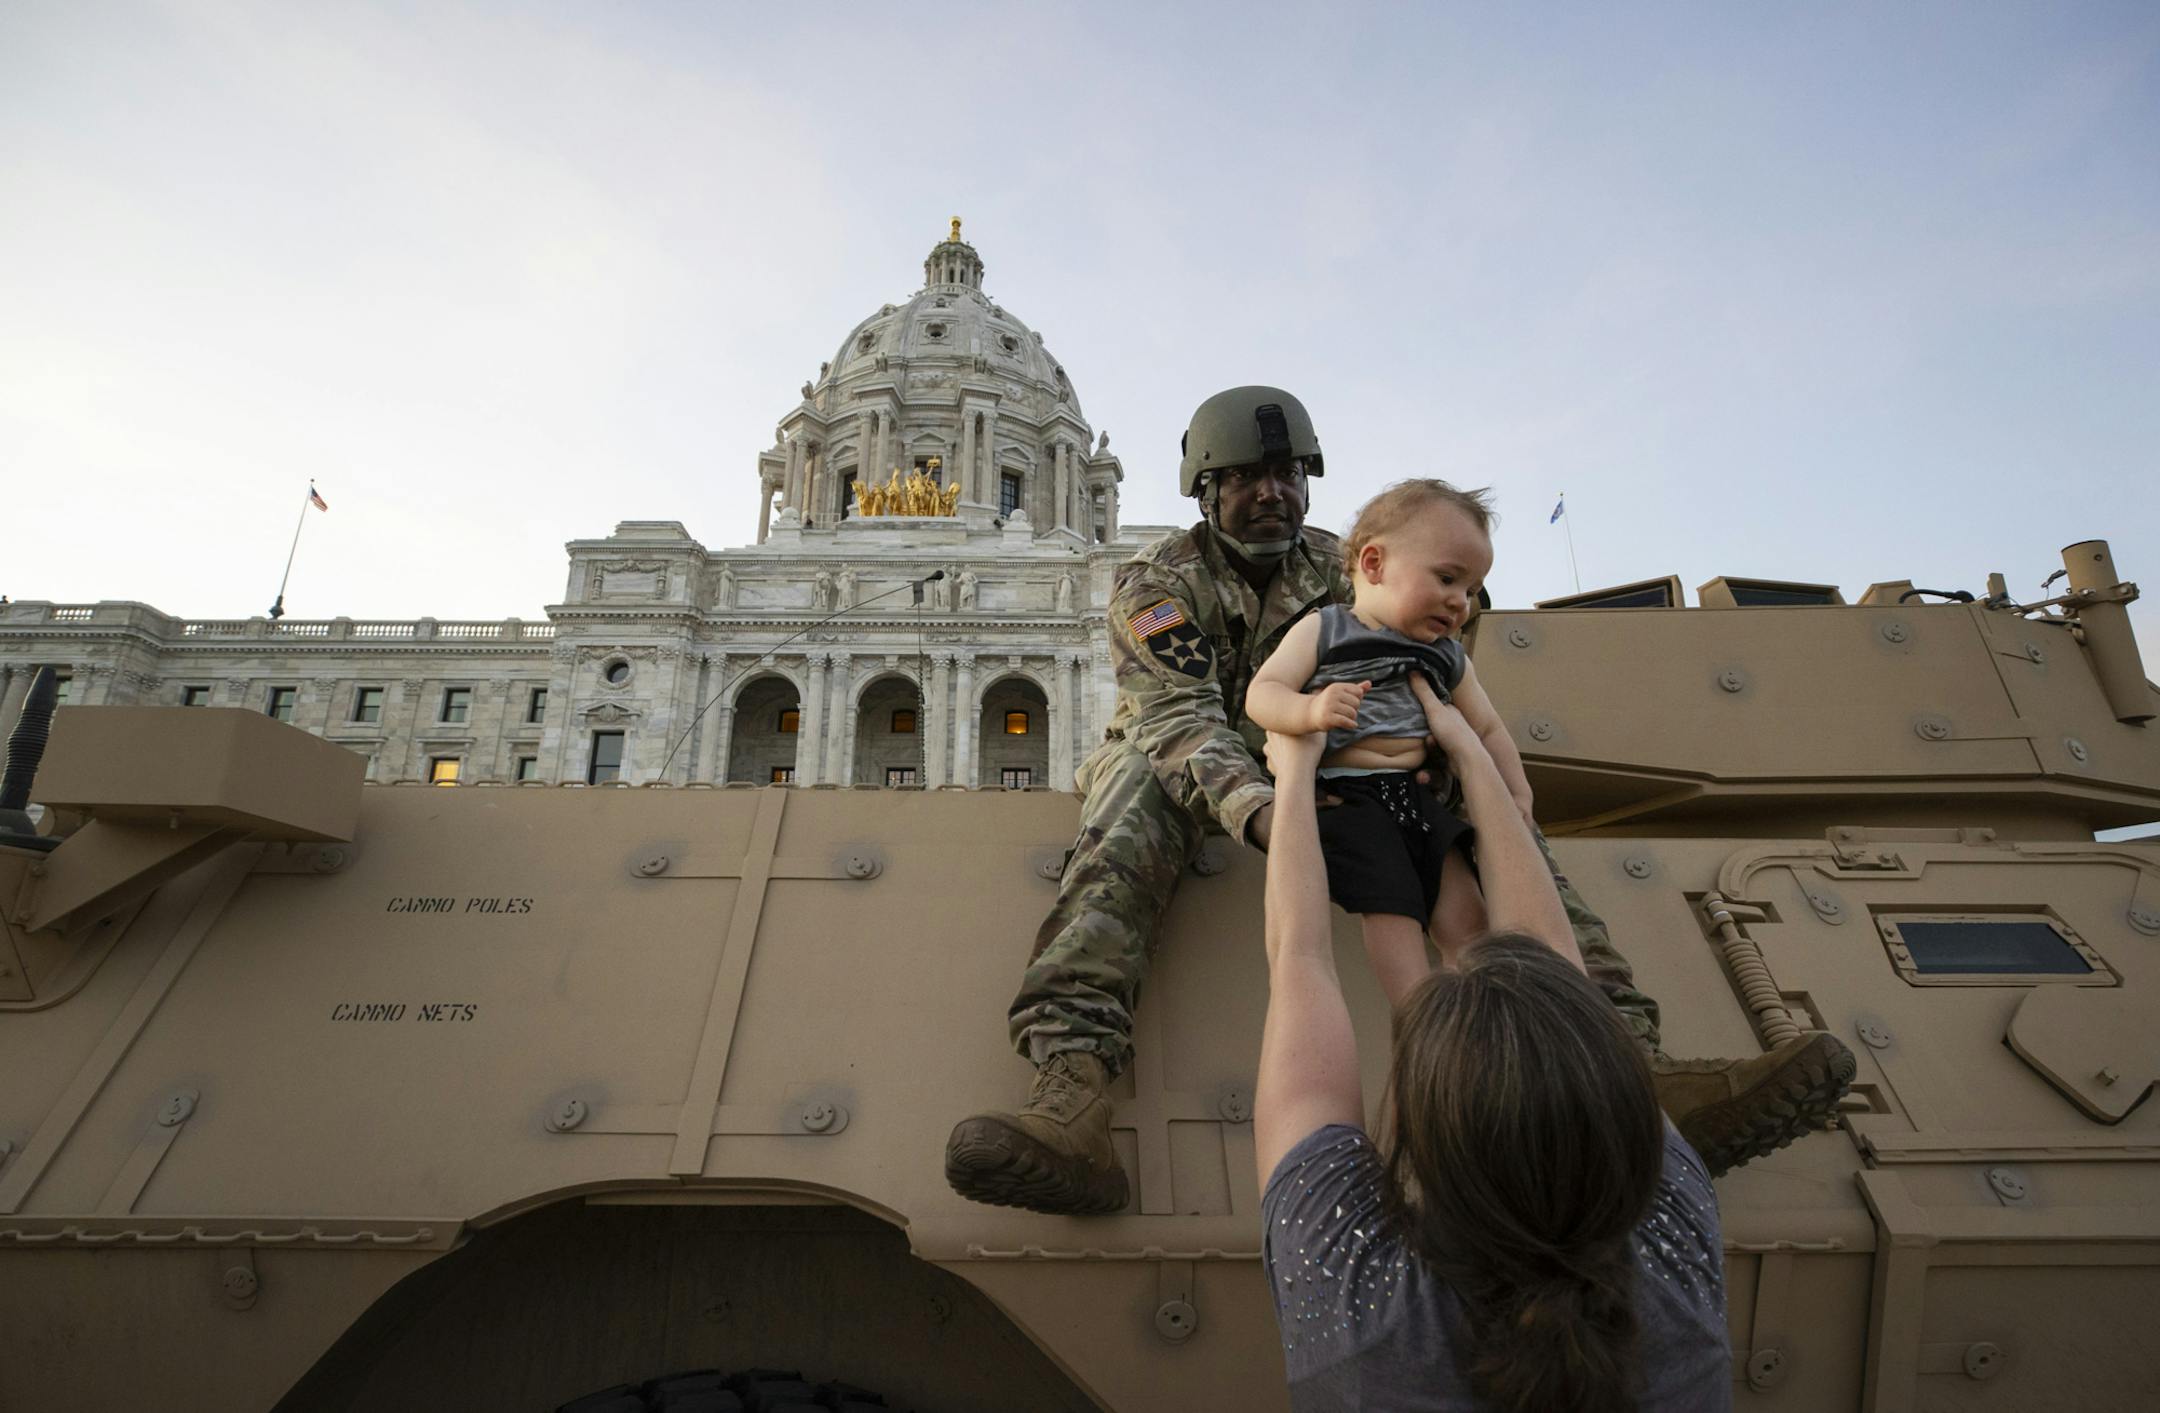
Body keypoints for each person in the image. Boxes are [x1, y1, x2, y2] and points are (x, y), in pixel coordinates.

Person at [942, 385, 1850, 1218]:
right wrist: (1271, 813)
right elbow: (1178, 718)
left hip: (1350, 756)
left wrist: (1443, 765)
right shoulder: (1155, 584)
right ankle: (1074, 1094)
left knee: (1488, 806)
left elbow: (1437, 652)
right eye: (1249, 477)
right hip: (1199, 759)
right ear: (1206, 490)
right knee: (1131, 796)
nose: (1273, 492)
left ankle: (1632, 1066)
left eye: (1289, 473)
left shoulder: (1352, 569)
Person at [1257, 710, 1730, 1411]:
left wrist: (1294, 773)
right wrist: (1477, 760)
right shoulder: (1676, 1268)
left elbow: (1301, 953)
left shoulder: (1362, 1305)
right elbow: (1560, 981)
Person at [1247, 479, 1522, 1007]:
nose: (1459, 602)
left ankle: (1474, 1023)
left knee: (1469, 920)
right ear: (1373, 564)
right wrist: (1309, 711)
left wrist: (1515, 795)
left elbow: (1487, 729)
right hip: (1350, 798)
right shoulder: (1325, 630)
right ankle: (1416, 1018)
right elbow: (1264, 694)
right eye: (1447, 578)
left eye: (1469, 590)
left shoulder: (1446, 655)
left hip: (1417, 795)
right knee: (1393, 914)